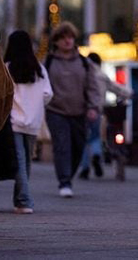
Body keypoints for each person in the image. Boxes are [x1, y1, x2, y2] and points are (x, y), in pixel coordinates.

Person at [44, 21, 102, 198]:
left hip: (79, 111)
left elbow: (92, 86)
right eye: (63, 38)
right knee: (62, 146)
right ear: (56, 41)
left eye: (70, 37)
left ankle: (69, 174)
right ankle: (64, 181)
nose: (67, 41)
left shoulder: (84, 63)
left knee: (78, 146)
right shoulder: (48, 62)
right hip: (56, 111)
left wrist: (93, 107)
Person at [6, 30, 53, 214]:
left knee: (19, 160)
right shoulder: (39, 69)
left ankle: (24, 200)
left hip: (13, 120)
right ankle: (20, 199)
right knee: (26, 161)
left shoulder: (7, 67)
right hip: (34, 122)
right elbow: (48, 94)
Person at [78, 52, 132, 180]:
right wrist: (129, 93)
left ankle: (85, 168)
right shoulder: (102, 76)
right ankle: (97, 154)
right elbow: (115, 88)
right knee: (95, 136)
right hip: (97, 110)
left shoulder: (82, 74)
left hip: (82, 110)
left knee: (84, 139)